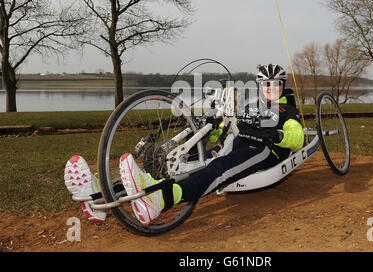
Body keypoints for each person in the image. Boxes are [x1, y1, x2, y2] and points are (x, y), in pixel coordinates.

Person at [65, 64, 304, 225]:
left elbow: (298, 137)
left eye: (276, 83)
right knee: (180, 164)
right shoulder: (252, 106)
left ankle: (159, 201)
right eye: (266, 84)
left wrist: (278, 137)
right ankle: (99, 195)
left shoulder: (287, 109)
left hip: (262, 150)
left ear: (283, 85)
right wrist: (208, 128)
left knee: (216, 170)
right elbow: (227, 131)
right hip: (235, 142)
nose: (271, 88)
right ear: (260, 86)